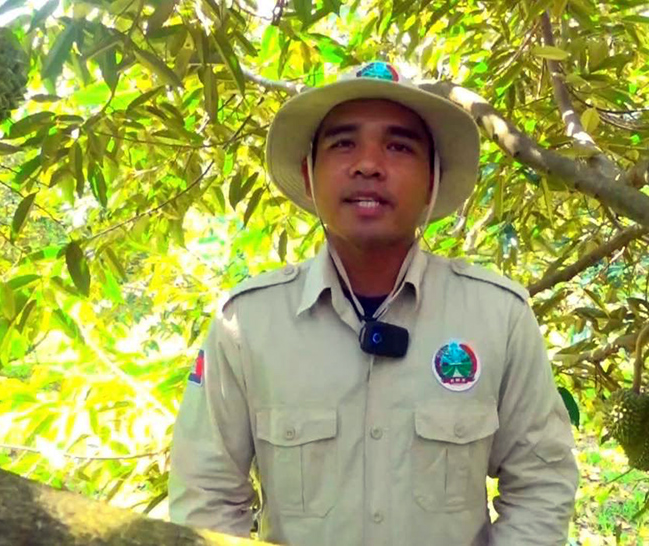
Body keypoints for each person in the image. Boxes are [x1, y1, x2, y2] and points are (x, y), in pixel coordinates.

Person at [168, 60, 579, 546]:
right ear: (309, 174)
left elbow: (540, 482)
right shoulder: (248, 324)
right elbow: (207, 497)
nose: (368, 165)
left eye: (399, 147)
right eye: (343, 144)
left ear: (433, 180)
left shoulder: (498, 316)